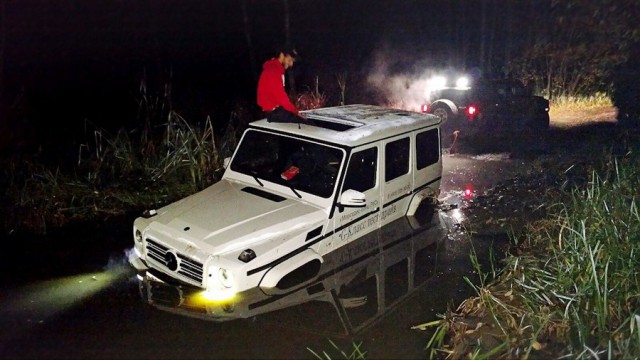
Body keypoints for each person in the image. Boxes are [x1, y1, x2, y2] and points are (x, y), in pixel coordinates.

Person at [257, 46, 313, 125]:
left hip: (276, 111)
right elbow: (280, 96)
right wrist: (295, 112)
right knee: (308, 123)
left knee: (306, 120)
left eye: (292, 61)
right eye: (290, 60)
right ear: (282, 55)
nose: (291, 64)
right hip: (274, 113)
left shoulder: (276, 69)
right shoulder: (273, 70)